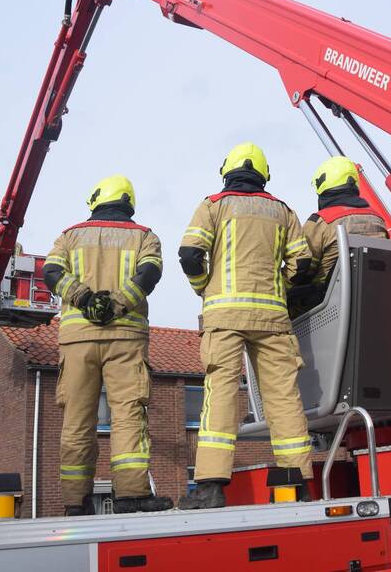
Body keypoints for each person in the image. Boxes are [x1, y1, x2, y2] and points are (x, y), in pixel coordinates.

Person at [177, 142, 314, 509]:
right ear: (263, 174)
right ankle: (296, 484)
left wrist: (203, 288)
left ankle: (209, 488)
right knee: (284, 399)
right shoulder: (284, 212)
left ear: (227, 171)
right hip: (272, 318)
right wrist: (278, 287)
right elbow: (302, 266)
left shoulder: (213, 205)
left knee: (220, 393)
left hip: (224, 316)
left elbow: (190, 254)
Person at [42, 175, 172, 516]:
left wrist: (84, 299)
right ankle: (131, 495)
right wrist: (115, 305)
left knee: (76, 420)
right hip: (125, 339)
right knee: (128, 415)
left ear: (95, 200)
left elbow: (51, 272)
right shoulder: (145, 236)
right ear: (129, 202)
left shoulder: (69, 236)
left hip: (77, 341)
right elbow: (149, 276)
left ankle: (75, 502)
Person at [287, 156, 388, 317]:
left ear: (323, 185)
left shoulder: (320, 221)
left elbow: (302, 269)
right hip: (372, 301)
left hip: (326, 308)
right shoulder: (378, 220)